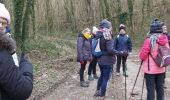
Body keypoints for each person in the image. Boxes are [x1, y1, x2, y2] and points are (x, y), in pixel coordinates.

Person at [0, 3, 33, 100]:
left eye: (4, 23)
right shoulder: (2, 51)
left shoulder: (7, 44)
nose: (1, 26)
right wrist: (26, 64)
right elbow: (22, 90)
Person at [93, 19, 125, 100]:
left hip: (100, 59)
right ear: (107, 27)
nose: (111, 28)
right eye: (110, 27)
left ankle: (97, 91)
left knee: (102, 76)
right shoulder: (108, 36)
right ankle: (102, 95)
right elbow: (110, 50)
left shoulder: (99, 34)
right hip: (107, 61)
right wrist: (120, 52)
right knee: (105, 78)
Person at [139, 19, 167, 100]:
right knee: (160, 88)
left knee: (150, 89)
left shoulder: (149, 40)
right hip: (161, 68)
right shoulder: (164, 39)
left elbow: (143, 55)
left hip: (150, 70)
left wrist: (141, 57)